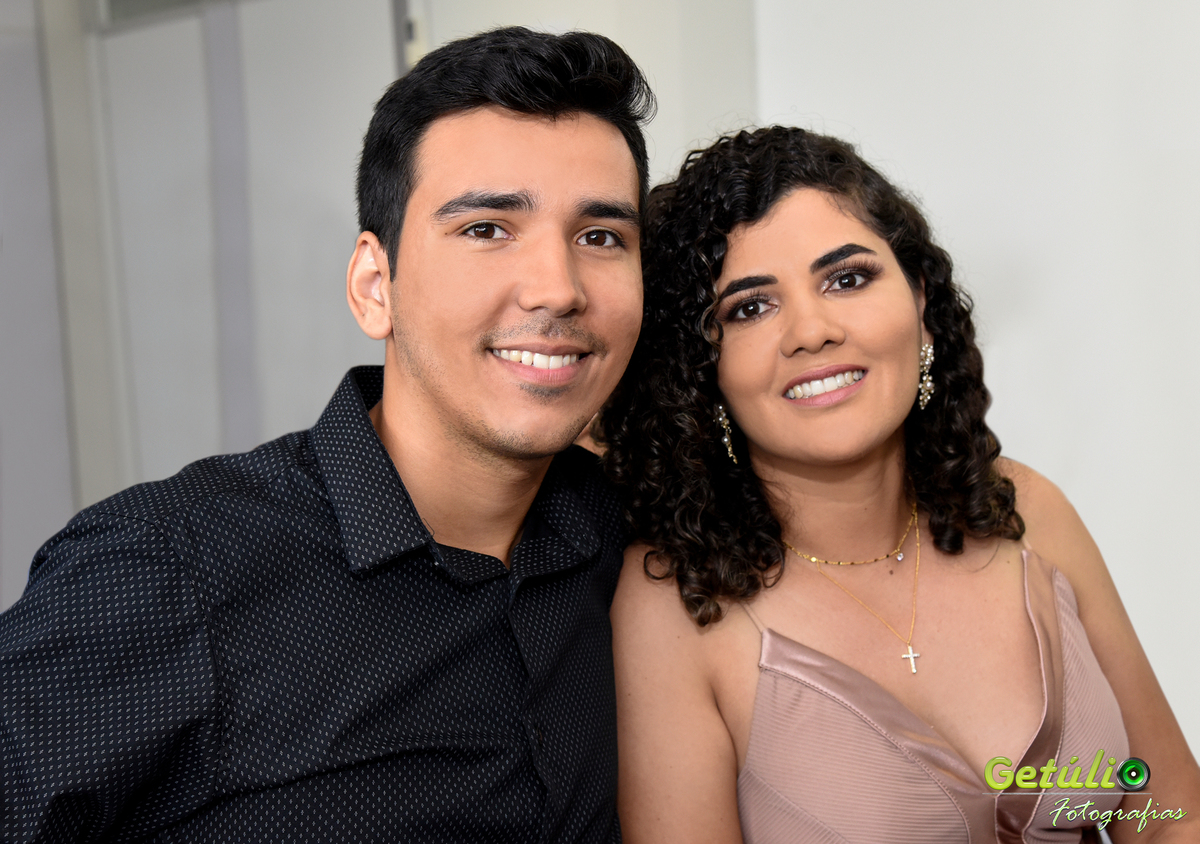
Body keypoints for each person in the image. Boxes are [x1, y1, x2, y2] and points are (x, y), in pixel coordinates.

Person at [0, 27, 652, 842]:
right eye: (487, 228)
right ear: (375, 285)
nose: (558, 288)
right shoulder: (167, 569)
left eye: (601, 237)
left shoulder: (624, 539)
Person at [603, 126, 1200, 843]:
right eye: (750, 307)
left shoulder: (1025, 509)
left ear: (919, 301)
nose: (812, 330)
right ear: (702, 369)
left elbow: (1171, 816)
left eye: (847, 279)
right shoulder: (674, 601)